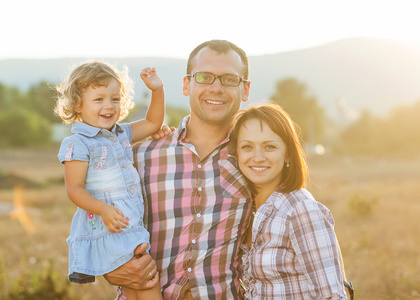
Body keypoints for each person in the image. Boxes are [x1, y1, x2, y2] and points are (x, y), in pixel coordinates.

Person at [104, 40, 253, 299]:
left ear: (245, 89)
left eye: (229, 79)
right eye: (205, 77)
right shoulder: (142, 156)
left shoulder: (254, 163)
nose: (216, 88)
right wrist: (109, 268)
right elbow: (98, 224)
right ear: (187, 85)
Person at [55, 61, 165, 300]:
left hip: (128, 223)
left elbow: (153, 122)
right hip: (108, 225)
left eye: (115, 99)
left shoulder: (122, 133)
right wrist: (103, 209)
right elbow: (74, 189)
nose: (109, 106)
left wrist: (157, 90)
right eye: (99, 99)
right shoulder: (78, 143)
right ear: (77, 104)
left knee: (135, 289)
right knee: (147, 283)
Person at [230, 103, 349, 299]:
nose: (257, 157)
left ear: (287, 153)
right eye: (247, 147)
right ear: (237, 153)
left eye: (269, 146)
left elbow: (332, 296)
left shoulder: (300, 210)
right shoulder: (248, 210)